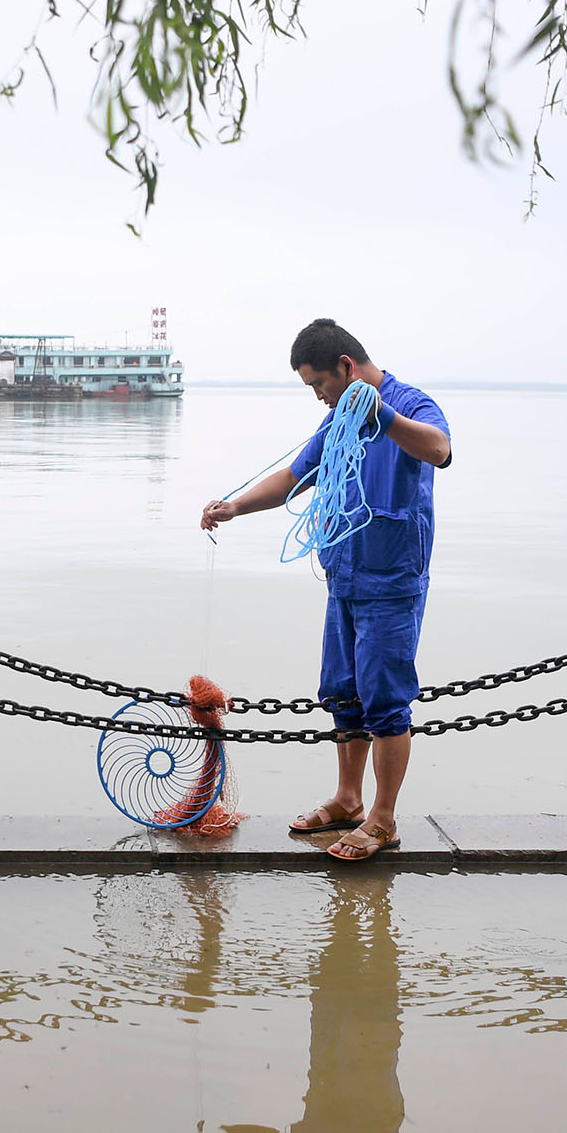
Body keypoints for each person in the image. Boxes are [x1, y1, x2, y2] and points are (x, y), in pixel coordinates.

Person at [200, 319, 452, 862]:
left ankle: (383, 820)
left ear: (346, 367)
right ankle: (348, 799)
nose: (318, 398)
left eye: (320, 385)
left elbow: (438, 449)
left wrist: (383, 417)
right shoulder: (338, 420)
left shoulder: (410, 403)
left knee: (386, 702)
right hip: (345, 577)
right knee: (343, 693)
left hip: (393, 580)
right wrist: (235, 506)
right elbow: (295, 474)